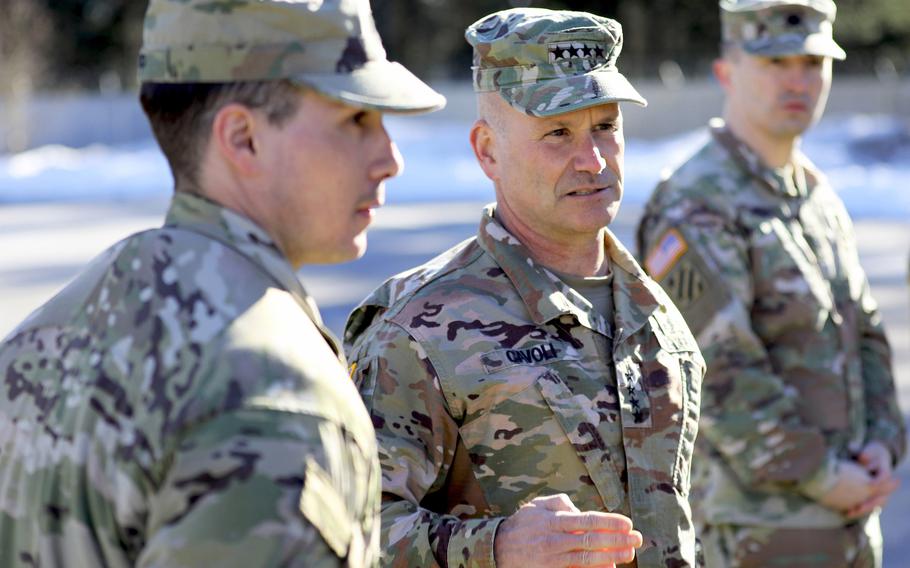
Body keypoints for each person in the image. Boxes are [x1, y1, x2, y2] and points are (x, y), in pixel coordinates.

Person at [0, 0, 445, 566]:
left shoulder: (47, 331)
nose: (391, 158)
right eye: (355, 119)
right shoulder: (276, 401)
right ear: (243, 138)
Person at [344, 8, 705, 567]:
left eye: (605, 127)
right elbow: (351, 533)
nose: (592, 160)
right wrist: (497, 548)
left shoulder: (651, 310)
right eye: (558, 133)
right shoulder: (420, 328)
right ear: (487, 149)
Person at [636, 1, 906, 565]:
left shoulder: (814, 193)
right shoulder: (696, 202)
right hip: (756, 528)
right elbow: (717, 370)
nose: (797, 80)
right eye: (775, 63)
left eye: (812, 63)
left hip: (849, 514)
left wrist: (884, 441)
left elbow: (867, 334)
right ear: (726, 72)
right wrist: (822, 474)